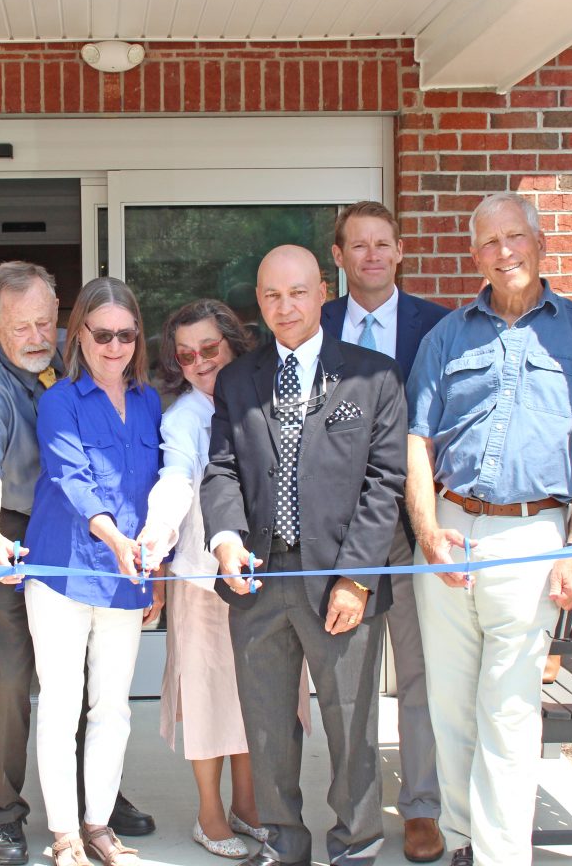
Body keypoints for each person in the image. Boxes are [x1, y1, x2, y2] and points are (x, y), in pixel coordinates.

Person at [405, 193, 572, 866]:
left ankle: (500, 855)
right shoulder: (446, 337)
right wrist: (429, 529)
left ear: (539, 242)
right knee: (452, 706)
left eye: (515, 237)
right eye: (490, 243)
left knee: (511, 708)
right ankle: (466, 841)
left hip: (533, 535)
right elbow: (418, 442)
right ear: (476, 257)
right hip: (450, 531)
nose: (505, 252)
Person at [202, 245, 407, 866]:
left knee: (351, 724)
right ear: (258, 303)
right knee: (266, 727)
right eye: (270, 295)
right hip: (258, 580)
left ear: (323, 290)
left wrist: (356, 578)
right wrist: (226, 537)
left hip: (340, 581)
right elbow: (222, 468)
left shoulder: (373, 374)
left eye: (296, 292)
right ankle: (282, 843)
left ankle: (355, 841)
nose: (283, 307)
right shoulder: (239, 379)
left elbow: (385, 481)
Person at [0, 262, 156, 866]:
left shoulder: (79, 371)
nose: (36, 334)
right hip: (15, 533)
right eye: (21, 327)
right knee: (17, 677)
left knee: (103, 694)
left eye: (45, 320)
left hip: (105, 545)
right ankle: (3, 812)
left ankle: (97, 804)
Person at [138, 300, 304, 859]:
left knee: (258, 697)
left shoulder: (265, 393)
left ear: (235, 342)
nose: (200, 363)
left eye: (210, 348)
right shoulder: (185, 416)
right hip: (203, 582)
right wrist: (156, 538)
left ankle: (249, 805)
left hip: (264, 577)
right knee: (208, 699)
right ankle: (210, 815)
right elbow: (176, 478)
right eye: (186, 356)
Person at [321, 201, 448, 863]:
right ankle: (359, 808)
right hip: (344, 534)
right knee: (353, 679)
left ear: (399, 252)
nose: (371, 256)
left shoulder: (441, 327)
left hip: (418, 525)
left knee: (423, 671)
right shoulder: (317, 325)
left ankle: (422, 806)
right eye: (357, 246)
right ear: (338, 258)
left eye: (382, 244)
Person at [23, 277, 162, 866]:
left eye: (125, 335)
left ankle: (99, 824)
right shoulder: (57, 399)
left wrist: (152, 568)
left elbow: (156, 491)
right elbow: (71, 478)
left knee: (113, 706)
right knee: (61, 703)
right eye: (101, 334)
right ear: (78, 333)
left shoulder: (152, 401)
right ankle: (63, 835)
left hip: (127, 575)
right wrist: (116, 539)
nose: (113, 346)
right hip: (62, 571)